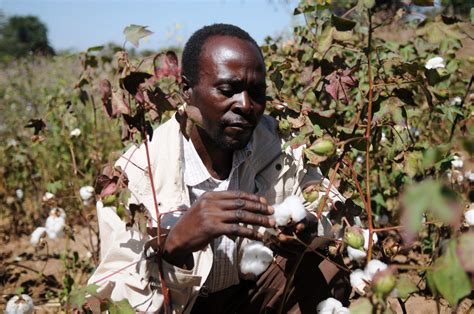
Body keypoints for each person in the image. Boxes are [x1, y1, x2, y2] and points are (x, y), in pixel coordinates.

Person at [87, 23, 350, 313]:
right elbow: (113, 296)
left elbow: (330, 204)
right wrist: (175, 249)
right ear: (187, 90)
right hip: (181, 306)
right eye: (228, 90)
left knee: (329, 265)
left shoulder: (273, 141)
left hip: (248, 295)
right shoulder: (134, 175)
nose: (246, 106)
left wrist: (310, 225)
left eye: (257, 92)